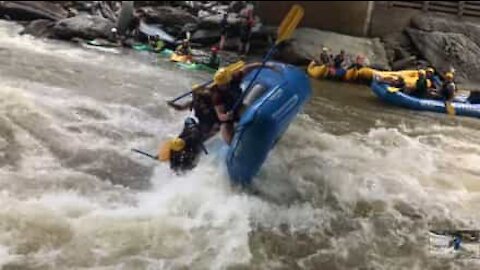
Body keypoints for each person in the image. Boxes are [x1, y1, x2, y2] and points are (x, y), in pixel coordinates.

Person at [208, 62, 278, 144]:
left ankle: (262, 135)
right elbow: (220, 115)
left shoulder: (234, 77)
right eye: (221, 85)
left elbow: (249, 67)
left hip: (238, 107)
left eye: (225, 84)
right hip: (226, 118)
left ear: (229, 80)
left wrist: (267, 66)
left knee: (253, 117)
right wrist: (226, 116)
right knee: (228, 138)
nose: (223, 87)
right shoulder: (217, 95)